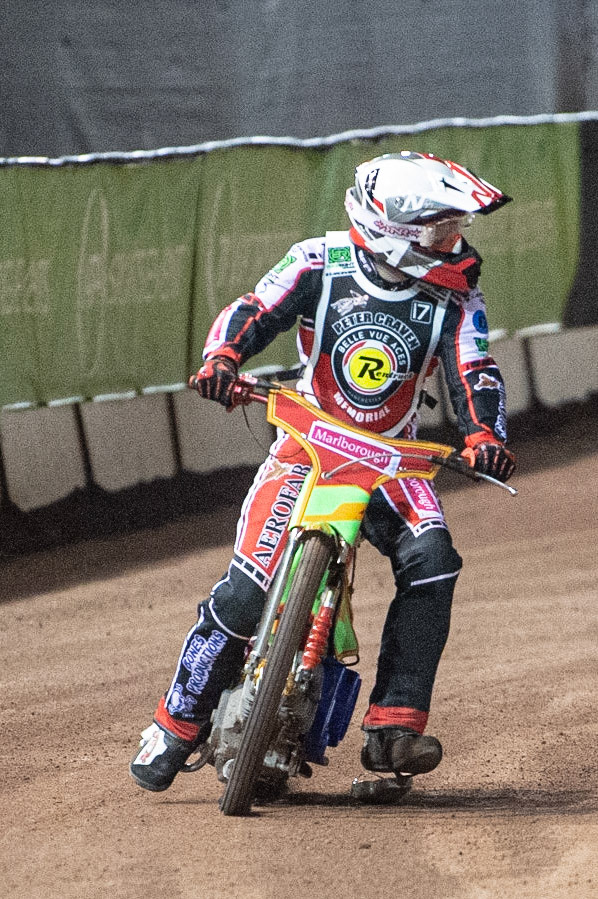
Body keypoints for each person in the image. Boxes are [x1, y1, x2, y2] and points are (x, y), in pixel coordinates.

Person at [130, 150, 516, 792]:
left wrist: (484, 434)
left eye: (457, 230)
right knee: (246, 591)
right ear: (397, 230)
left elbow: (475, 370)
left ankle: (395, 727)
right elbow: (254, 309)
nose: (457, 244)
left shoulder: (458, 301)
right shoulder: (318, 260)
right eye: (443, 231)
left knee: (435, 561)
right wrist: (223, 356)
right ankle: (174, 724)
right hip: (307, 447)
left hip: (394, 460)